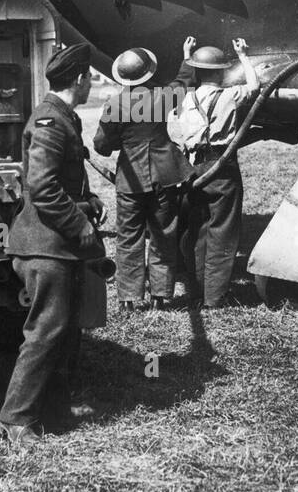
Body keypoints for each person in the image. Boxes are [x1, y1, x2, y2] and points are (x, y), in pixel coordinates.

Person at [0, 43, 106, 448]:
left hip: (57, 246)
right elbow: (41, 187)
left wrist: (89, 200)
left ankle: (54, 410)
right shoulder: (49, 120)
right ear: (79, 79)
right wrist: (80, 224)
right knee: (46, 330)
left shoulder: (64, 117)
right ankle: (16, 420)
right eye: (90, 77)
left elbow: (61, 180)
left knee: (65, 330)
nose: (92, 83)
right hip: (45, 246)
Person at [93, 44, 194, 312]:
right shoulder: (163, 96)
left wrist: (121, 140)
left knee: (128, 238)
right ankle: (160, 295)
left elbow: (102, 145)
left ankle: (128, 297)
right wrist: (186, 56)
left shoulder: (115, 104)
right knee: (163, 235)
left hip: (130, 179)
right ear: (149, 72)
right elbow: (183, 81)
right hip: (165, 174)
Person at [174, 37, 260, 309]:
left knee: (197, 232)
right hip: (221, 167)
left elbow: (182, 86)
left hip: (192, 168)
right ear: (222, 72)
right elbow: (255, 87)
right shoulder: (231, 95)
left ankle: (198, 292)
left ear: (197, 71)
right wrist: (243, 56)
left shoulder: (184, 99)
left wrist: (185, 56)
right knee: (222, 231)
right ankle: (214, 298)